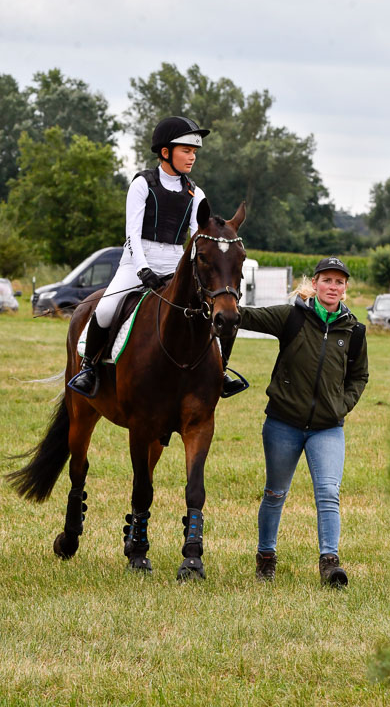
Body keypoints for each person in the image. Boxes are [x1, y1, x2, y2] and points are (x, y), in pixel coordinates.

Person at [69, 115, 246, 398]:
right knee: (104, 309)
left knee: (220, 310)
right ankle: (89, 368)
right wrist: (142, 270)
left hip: (176, 265)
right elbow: (132, 234)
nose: (192, 158)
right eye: (186, 151)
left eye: (194, 153)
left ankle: (221, 370)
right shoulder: (142, 184)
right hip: (137, 263)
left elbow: (197, 236)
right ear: (166, 152)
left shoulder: (195, 192)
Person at [240, 257, 369, 587]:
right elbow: (246, 317)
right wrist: (217, 298)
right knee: (275, 493)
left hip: (327, 428)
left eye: (339, 282)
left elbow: (359, 376)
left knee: (328, 492)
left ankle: (330, 563)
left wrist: (341, 404)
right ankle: (266, 557)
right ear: (315, 283)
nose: (333, 287)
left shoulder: (353, 331)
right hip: (283, 423)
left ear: (345, 289)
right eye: (327, 280)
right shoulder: (292, 317)